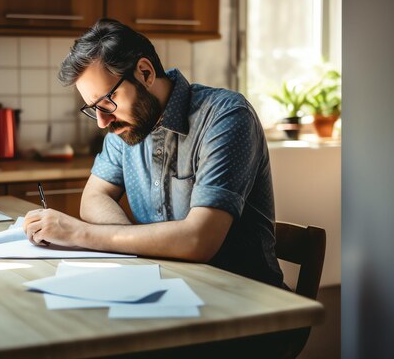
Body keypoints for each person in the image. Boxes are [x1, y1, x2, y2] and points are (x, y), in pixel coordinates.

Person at [24, 18, 284, 287]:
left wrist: (80, 234)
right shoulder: (124, 127)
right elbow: (93, 196)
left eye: (107, 102)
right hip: (163, 286)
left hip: (245, 300)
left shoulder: (226, 116)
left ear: (145, 73)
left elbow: (199, 240)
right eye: (93, 108)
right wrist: (136, 244)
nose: (102, 122)